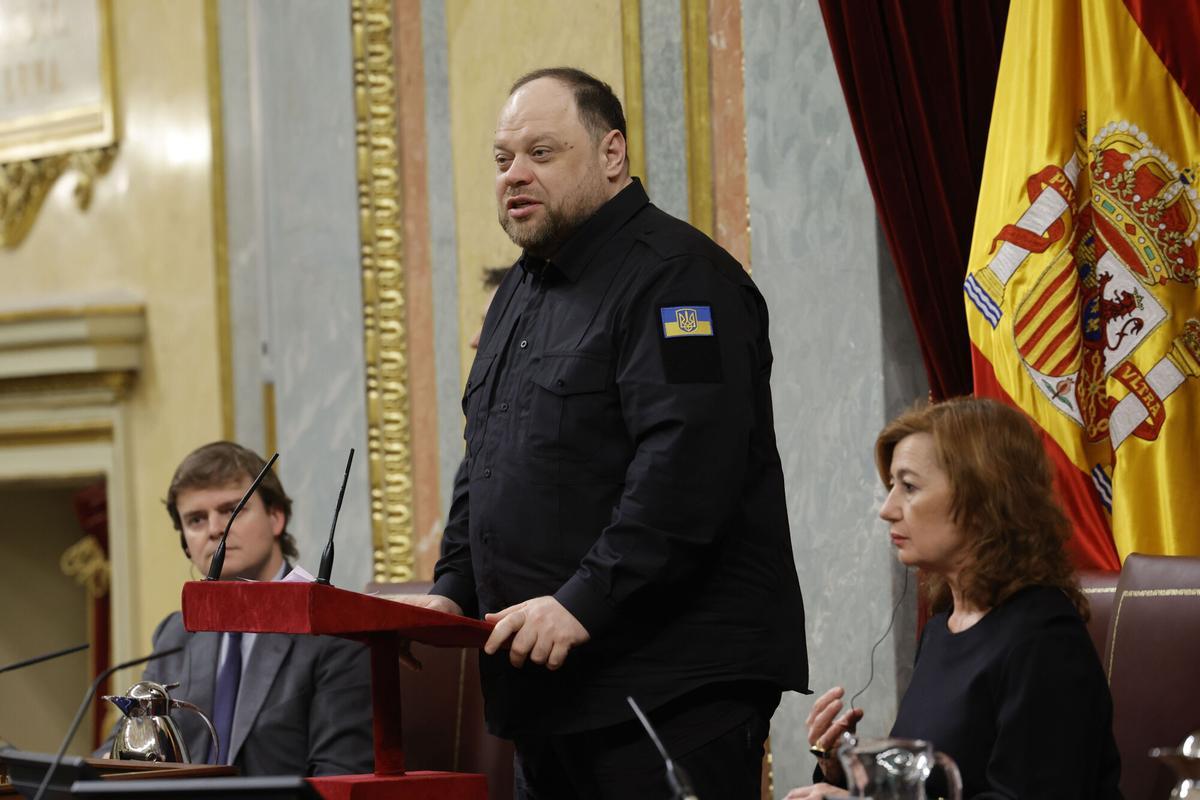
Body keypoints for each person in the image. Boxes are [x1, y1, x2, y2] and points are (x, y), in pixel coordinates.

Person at [395, 66, 808, 799]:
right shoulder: (518, 292)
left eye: (541, 154)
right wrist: (453, 587)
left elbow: (687, 471)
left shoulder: (680, 279)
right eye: (501, 160)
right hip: (550, 701)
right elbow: (485, 456)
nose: (514, 176)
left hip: (668, 696)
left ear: (611, 154)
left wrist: (582, 599)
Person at [787, 398, 1121, 799]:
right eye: (891, 486)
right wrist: (840, 769)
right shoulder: (940, 632)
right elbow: (932, 785)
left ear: (981, 499)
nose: (888, 509)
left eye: (908, 486)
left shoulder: (1044, 640)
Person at [100, 442, 374, 776]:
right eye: (196, 519)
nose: (215, 529)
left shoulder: (334, 629)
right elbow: (123, 753)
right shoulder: (178, 631)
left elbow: (340, 775)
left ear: (276, 518)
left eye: (232, 510)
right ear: (186, 543)